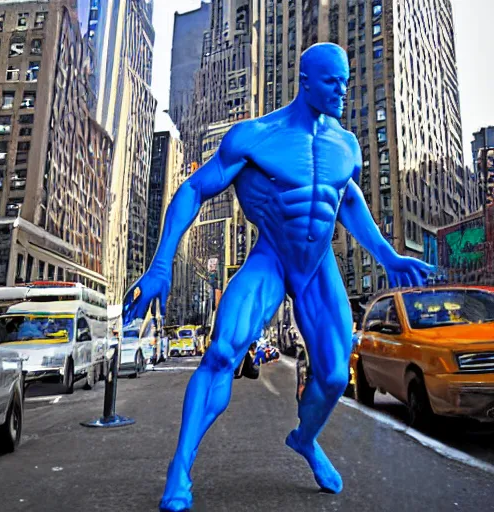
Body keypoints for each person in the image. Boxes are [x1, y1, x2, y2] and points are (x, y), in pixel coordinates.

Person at [122, 43, 434, 511]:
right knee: (223, 350)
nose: (343, 91)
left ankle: (305, 440)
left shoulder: (345, 145)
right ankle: (181, 467)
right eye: (333, 82)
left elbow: (347, 202)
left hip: (317, 266)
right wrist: (161, 264)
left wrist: (388, 256)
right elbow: (193, 189)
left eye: (347, 82)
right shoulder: (255, 137)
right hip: (270, 258)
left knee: (331, 375)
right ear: (305, 82)